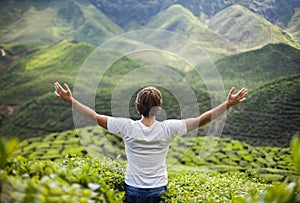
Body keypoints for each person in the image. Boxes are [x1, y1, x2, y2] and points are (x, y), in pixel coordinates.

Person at [54, 82, 247, 203]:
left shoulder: (126, 127)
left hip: (133, 188)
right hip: (158, 187)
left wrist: (71, 101)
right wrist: (227, 104)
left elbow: (94, 117)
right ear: (158, 108)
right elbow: (202, 120)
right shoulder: (168, 128)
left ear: (138, 107)